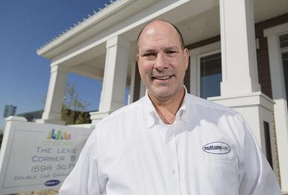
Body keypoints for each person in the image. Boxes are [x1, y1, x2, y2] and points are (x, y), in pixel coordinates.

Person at [59, 20, 282, 194]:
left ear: (185, 58)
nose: (160, 64)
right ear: (138, 62)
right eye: (149, 54)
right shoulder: (108, 131)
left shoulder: (231, 124)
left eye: (170, 52)